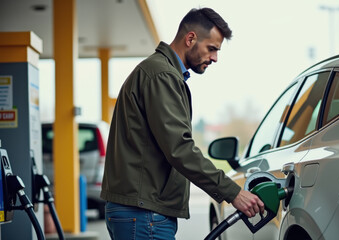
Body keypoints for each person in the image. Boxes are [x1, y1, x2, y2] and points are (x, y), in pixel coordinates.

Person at [100, 7, 264, 240]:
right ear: (190, 39)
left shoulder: (158, 72)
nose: (215, 58)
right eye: (212, 49)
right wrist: (232, 192)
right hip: (144, 212)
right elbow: (180, 148)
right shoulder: (162, 75)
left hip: (141, 209)